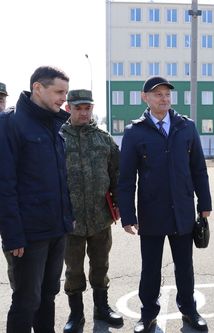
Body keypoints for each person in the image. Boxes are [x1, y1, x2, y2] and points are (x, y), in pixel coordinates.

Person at [118, 76, 212, 333]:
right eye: (157, 94)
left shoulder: (186, 127)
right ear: (145, 97)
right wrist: (128, 215)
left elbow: (199, 169)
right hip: (152, 212)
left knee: (185, 266)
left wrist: (205, 203)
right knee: (150, 269)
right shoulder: (135, 132)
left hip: (182, 210)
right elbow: (125, 179)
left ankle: (189, 311)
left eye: (167, 94)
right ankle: (147, 315)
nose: (164, 98)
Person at [0, 66, 74, 333]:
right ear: (38, 88)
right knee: (26, 300)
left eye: (65, 92)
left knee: (48, 294)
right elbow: (4, 185)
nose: (63, 99)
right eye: (59, 92)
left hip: (57, 229)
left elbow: (58, 180)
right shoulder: (10, 124)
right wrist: (12, 234)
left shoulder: (54, 124)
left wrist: (68, 221)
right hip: (29, 234)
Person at [60, 89, 123, 332]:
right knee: (73, 270)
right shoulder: (59, 137)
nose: (83, 112)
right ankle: (76, 315)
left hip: (100, 219)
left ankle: (102, 308)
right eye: (78, 108)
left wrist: (121, 209)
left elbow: (116, 176)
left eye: (87, 107)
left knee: (101, 266)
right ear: (68, 109)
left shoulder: (104, 138)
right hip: (70, 221)